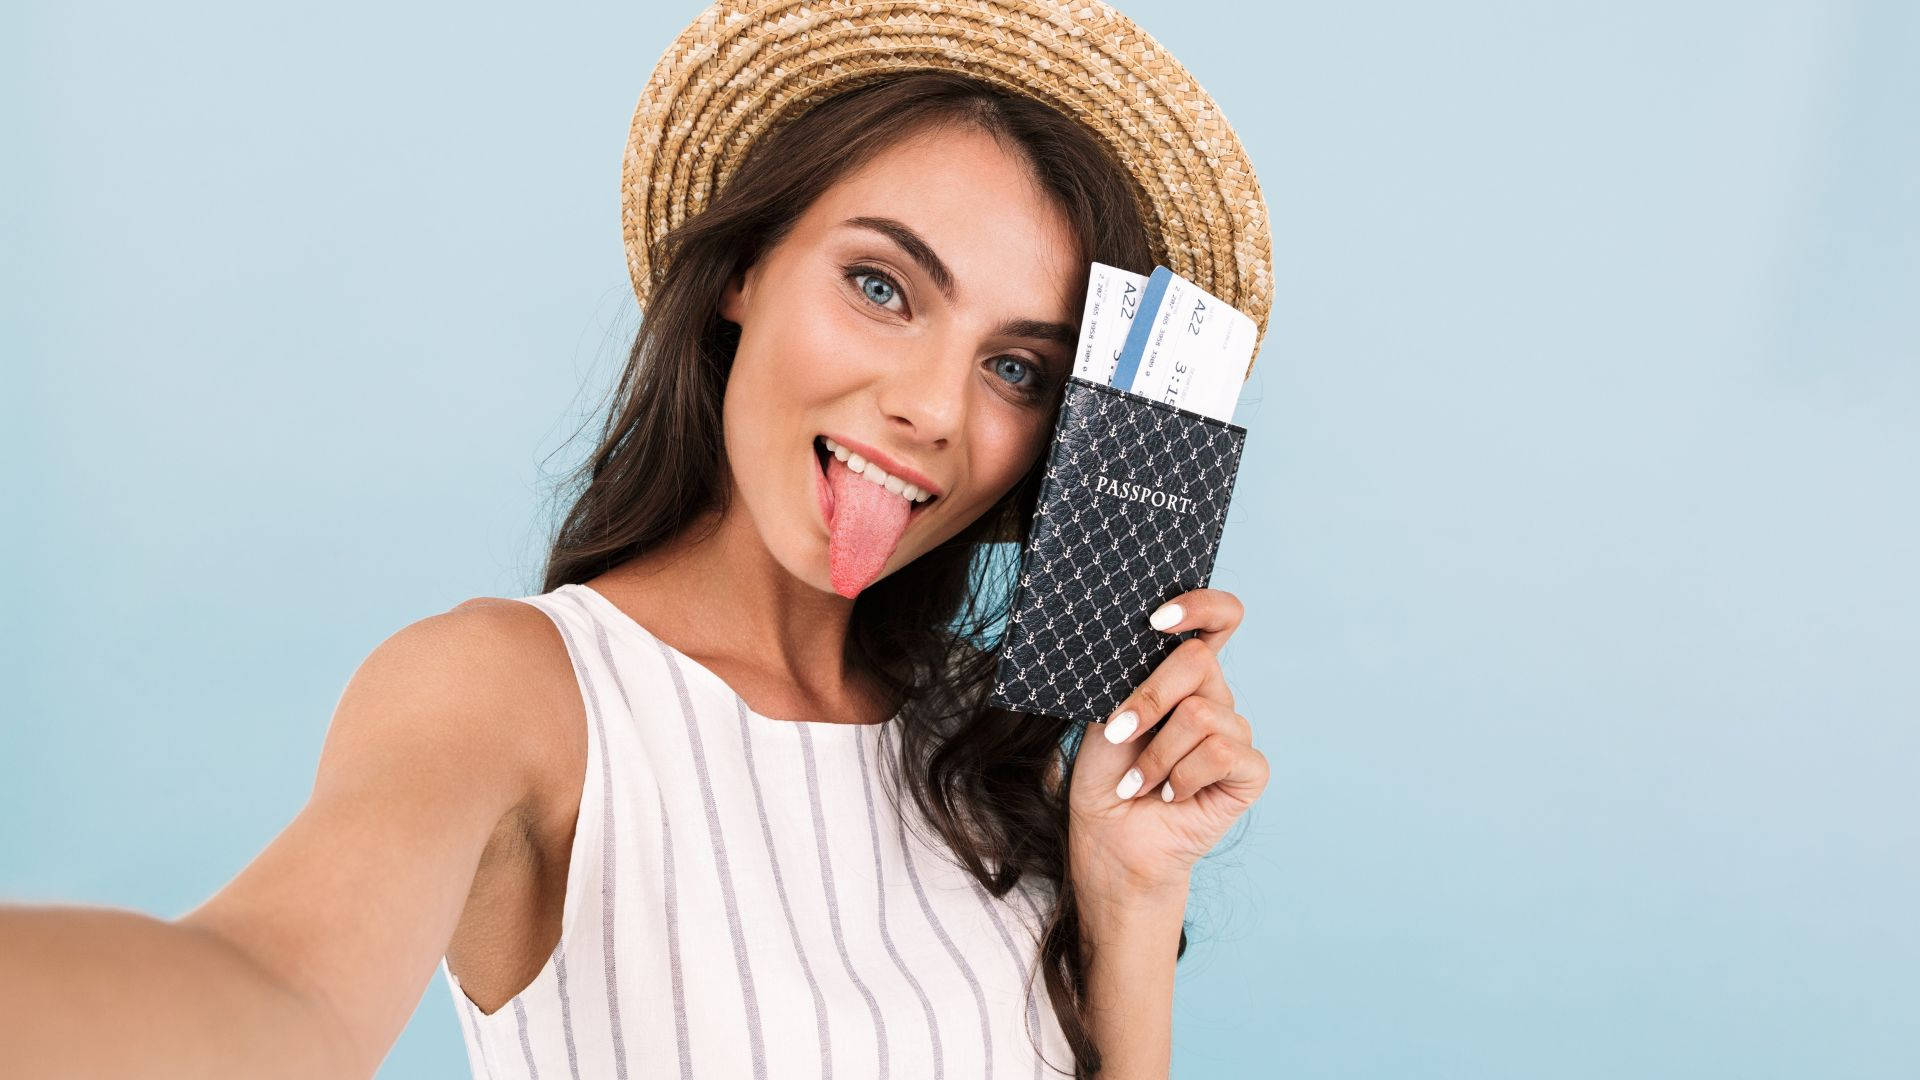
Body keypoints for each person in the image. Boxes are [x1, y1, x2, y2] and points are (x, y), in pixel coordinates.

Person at [3, 1, 1274, 1077]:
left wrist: (1127, 890)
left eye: (1015, 369)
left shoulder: (981, 756)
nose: (932, 411)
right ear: (740, 269)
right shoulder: (515, 692)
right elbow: (271, 989)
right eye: (881, 287)